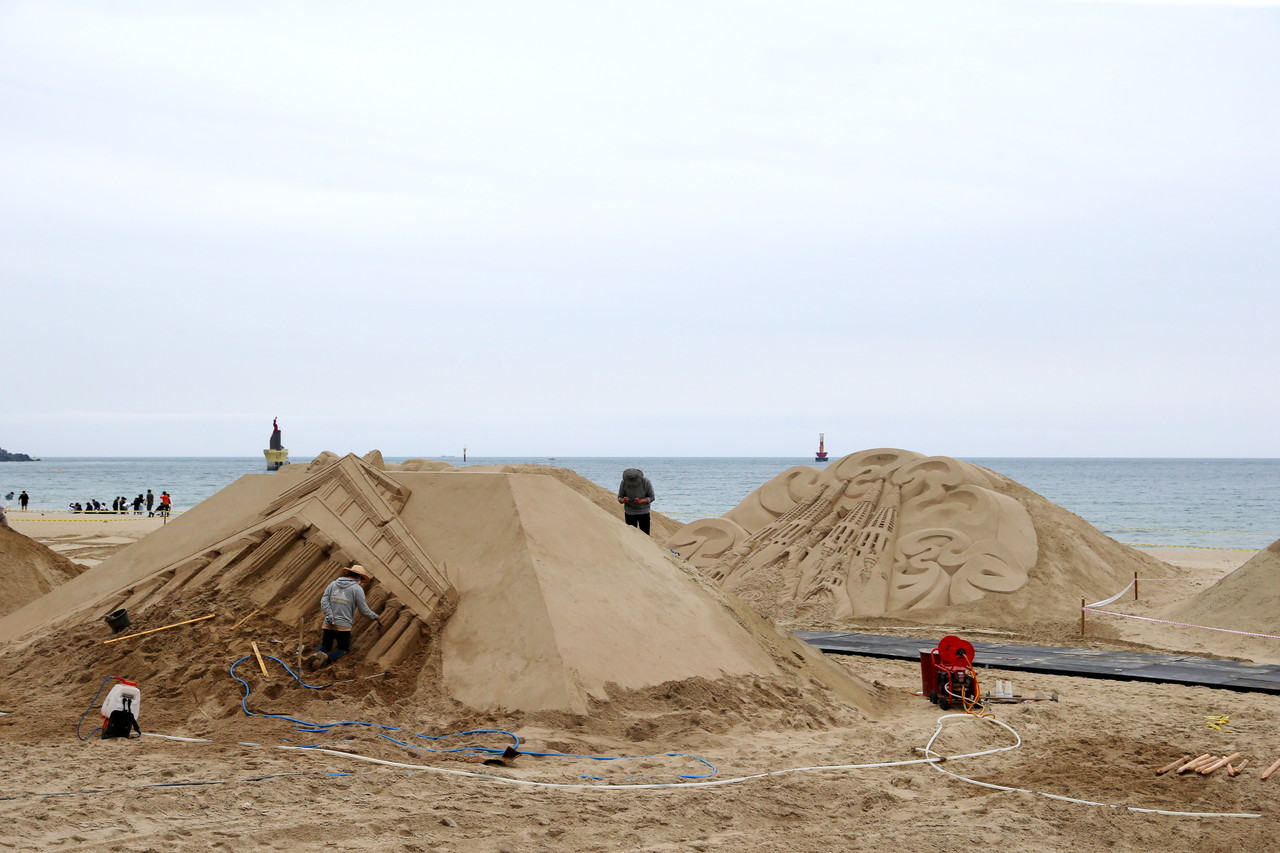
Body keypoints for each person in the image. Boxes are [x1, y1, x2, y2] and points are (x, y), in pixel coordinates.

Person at [307, 565, 382, 669]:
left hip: (328, 622)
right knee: (343, 648)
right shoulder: (357, 589)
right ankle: (327, 659)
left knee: (325, 646)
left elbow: (324, 601)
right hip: (343, 626)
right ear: (358, 577)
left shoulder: (333, 584)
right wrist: (375, 617)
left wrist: (330, 615)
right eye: (360, 578)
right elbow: (363, 610)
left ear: (349, 574)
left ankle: (316, 656)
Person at [617, 468, 656, 535]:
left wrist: (641, 501)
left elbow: (652, 497)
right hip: (630, 512)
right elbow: (620, 497)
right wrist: (623, 500)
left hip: (644, 511)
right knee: (631, 534)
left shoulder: (646, 482)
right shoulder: (623, 482)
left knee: (645, 535)